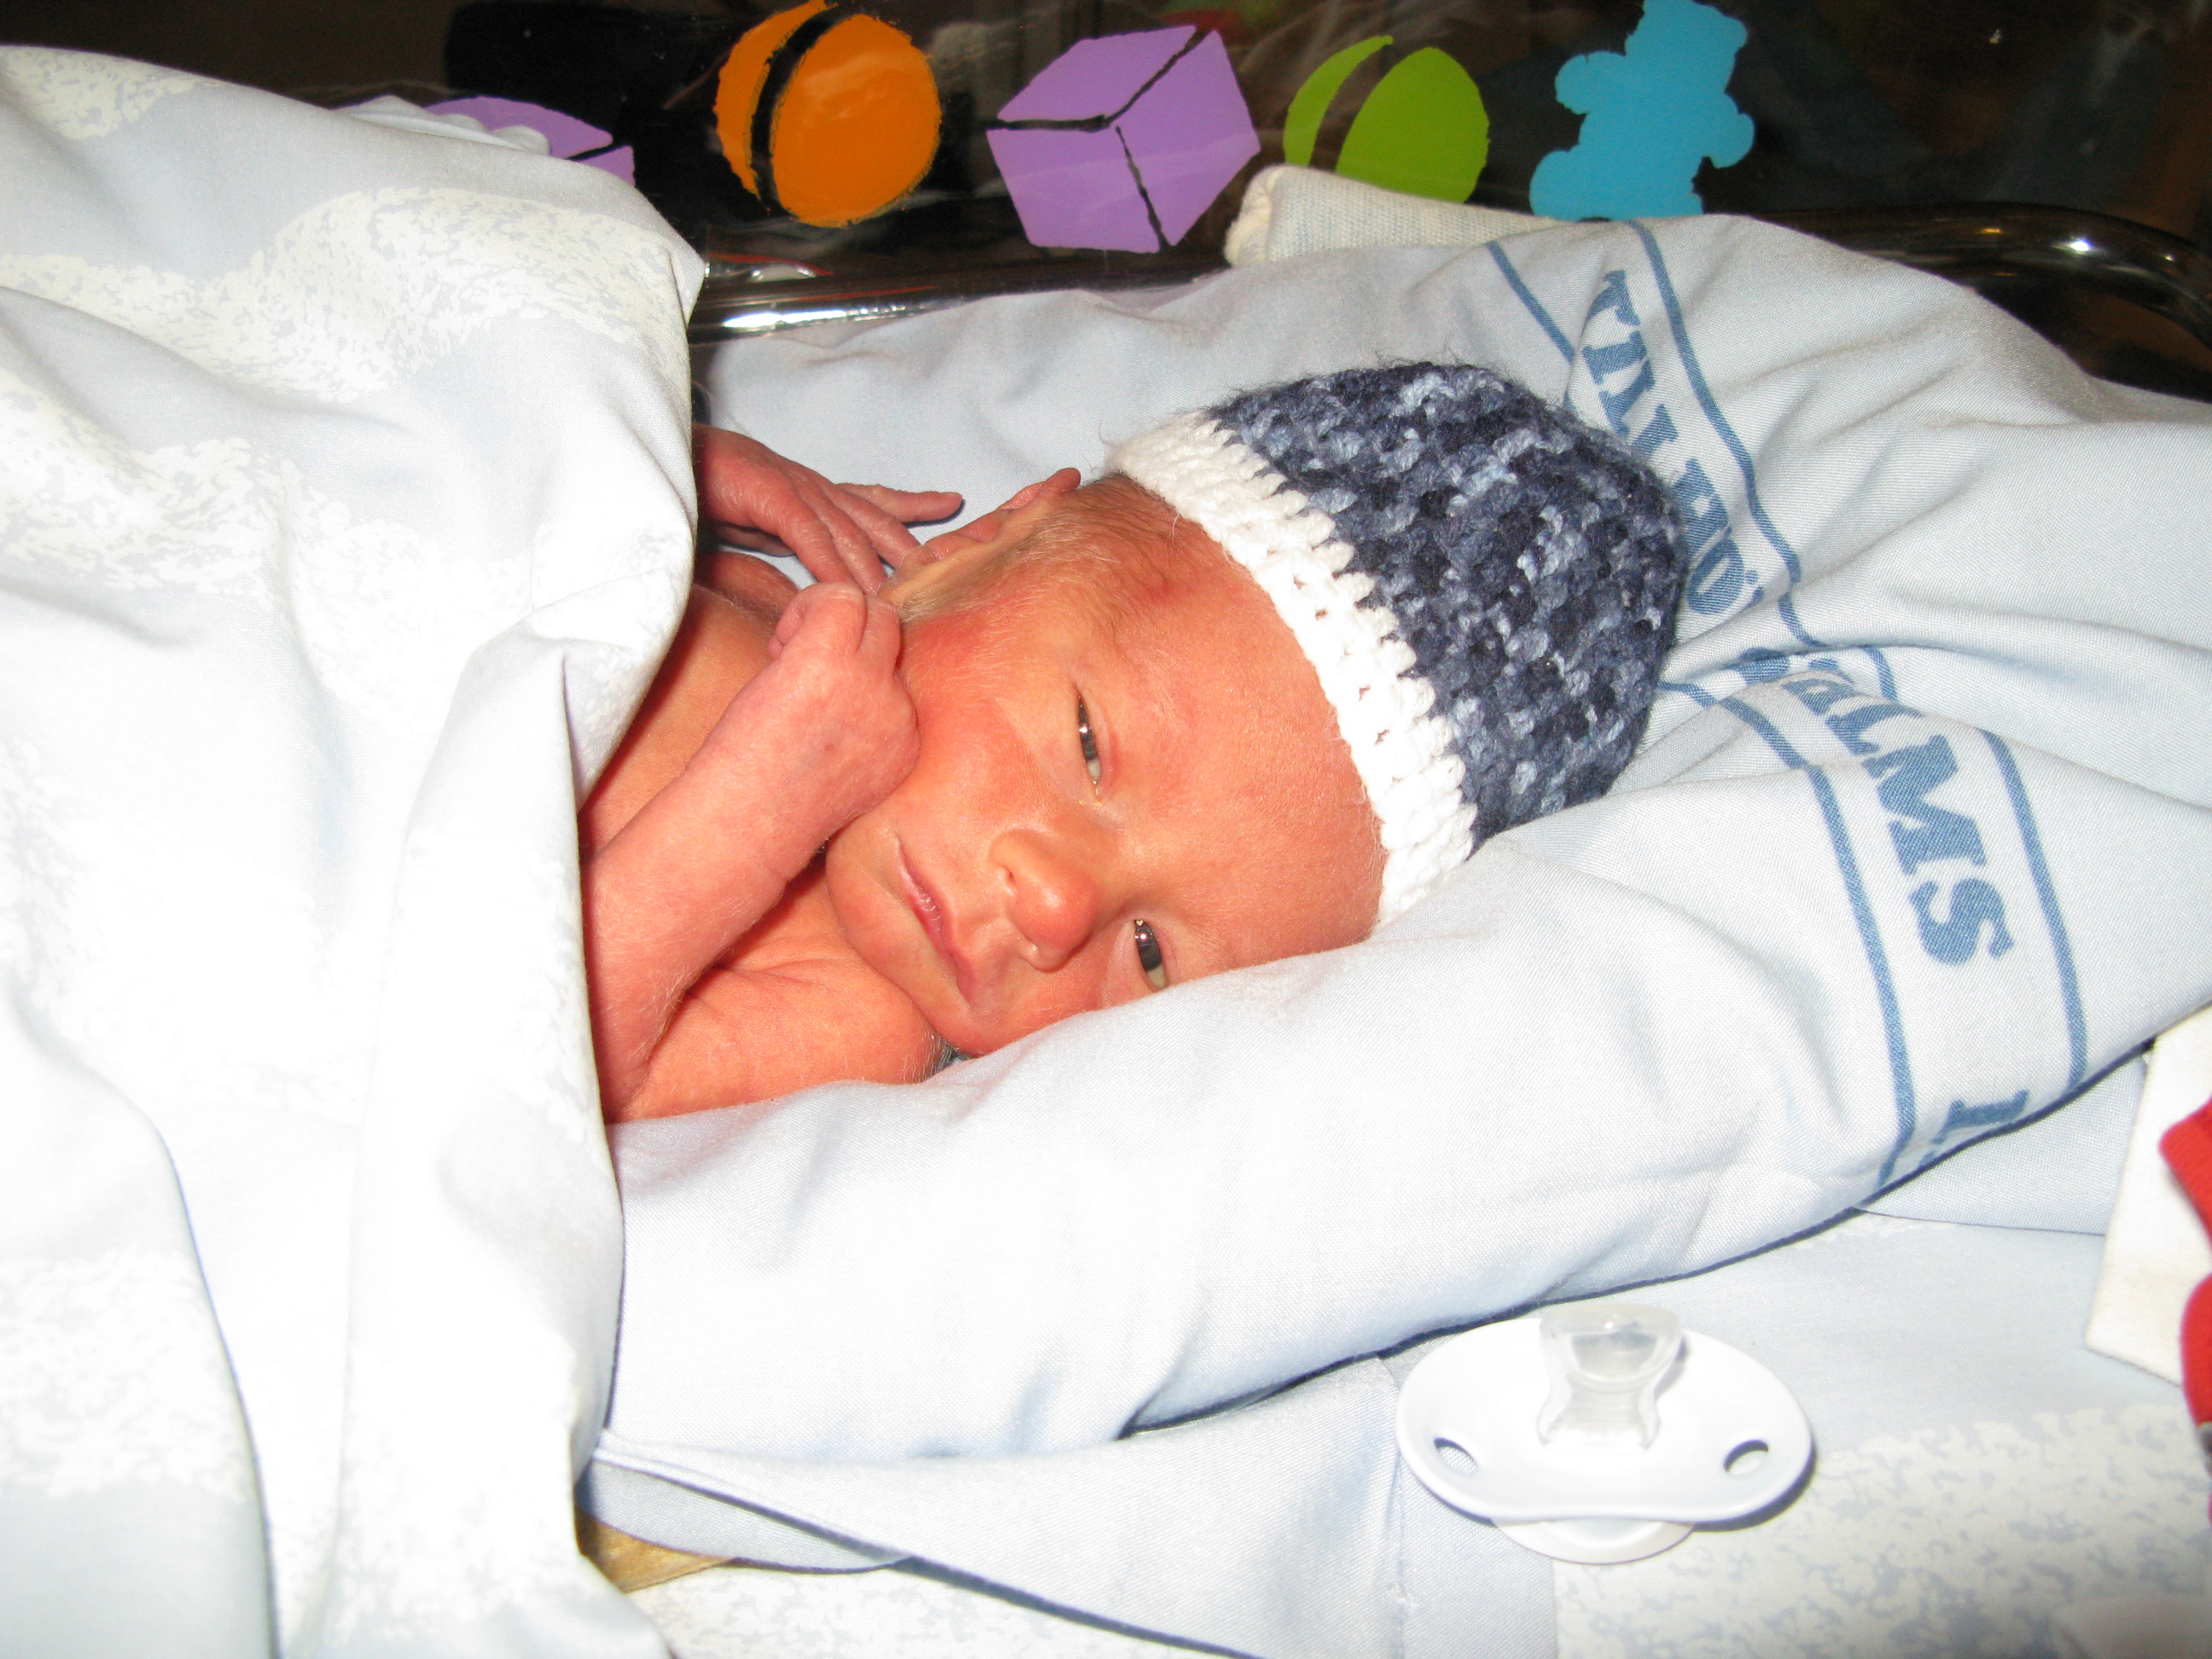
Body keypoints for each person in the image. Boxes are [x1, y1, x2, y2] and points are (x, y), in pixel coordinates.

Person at [584, 363, 1685, 1121]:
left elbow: (523, 1078)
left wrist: (750, 812)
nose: (1059, 907)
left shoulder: (843, 1016)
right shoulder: (742, 586)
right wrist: (653, 455)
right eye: (1088, 744)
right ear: (983, 546)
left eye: (1153, 957)